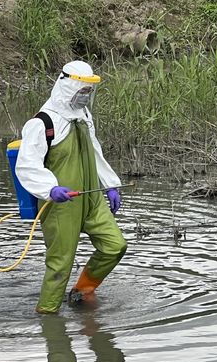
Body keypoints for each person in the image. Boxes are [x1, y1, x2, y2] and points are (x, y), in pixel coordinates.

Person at [16, 60, 127, 314]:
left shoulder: (84, 116)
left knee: (115, 245)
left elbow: (94, 150)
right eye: (82, 91)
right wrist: (50, 189)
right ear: (67, 86)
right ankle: (47, 315)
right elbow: (27, 165)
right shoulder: (42, 123)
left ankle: (83, 289)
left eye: (89, 92)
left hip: (91, 200)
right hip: (60, 204)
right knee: (60, 264)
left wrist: (110, 185)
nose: (86, 96)